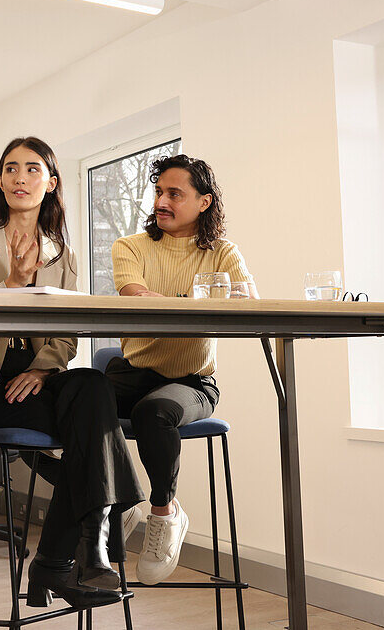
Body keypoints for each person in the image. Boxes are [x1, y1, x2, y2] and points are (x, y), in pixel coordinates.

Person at [0, 137, 144, 609]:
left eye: (33, 169)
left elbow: (67, 338)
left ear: (51, 183)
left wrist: (39, 368)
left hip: (37, 378)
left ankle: (77, 554)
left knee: (93, 384)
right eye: (10, 168)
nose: (20, 178)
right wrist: (10, 284)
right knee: (92, 442)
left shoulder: (61, 254)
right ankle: (79, 552)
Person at [107, 153, 257, 586]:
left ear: (204, 202)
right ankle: (122, 497)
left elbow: (246, 305)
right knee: (69, 397)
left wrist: (183, 299)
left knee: (154, 413)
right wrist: (200, 302)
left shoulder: (222, 252)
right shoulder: (130, 246)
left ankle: (163, 511)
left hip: (192, 382)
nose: (162, 202)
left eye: (175, 193)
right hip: (132, 373)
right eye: (158, 192)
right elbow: (136, 296)